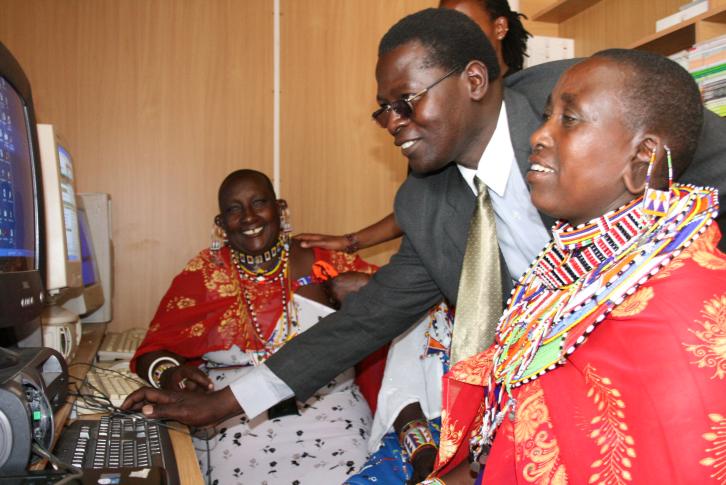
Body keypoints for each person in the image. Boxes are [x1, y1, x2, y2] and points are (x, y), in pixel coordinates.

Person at [121, 8, 726, 461]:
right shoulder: (424, 200)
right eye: (383, 109)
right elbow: (364, 322)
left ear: (473, 80)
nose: (392, 123)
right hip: (557, 411)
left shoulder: (576, 112)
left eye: (405, 102)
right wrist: (225, 402)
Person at [427, 49, 726, 485]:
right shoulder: (574, 266)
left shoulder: (684, 309)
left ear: (643, 158)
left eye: (568, 119)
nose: (538, 136)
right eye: (546, 116)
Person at [129, 169, 378, 484]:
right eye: (234, 209)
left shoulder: (327, 262)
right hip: (231, 418)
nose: (249, 217)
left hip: (331, 412)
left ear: (280, 208)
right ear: (221, 223)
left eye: (259, 203)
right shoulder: (204, 273)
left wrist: (367, 285)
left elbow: (400, 301)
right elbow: (154, 349)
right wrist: (169, 374)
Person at [296, 0, 531, 254]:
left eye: (464, 22)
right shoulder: (426, 134)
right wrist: (353, 241)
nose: (394, 123)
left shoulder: (539, 103)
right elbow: (424, 211)